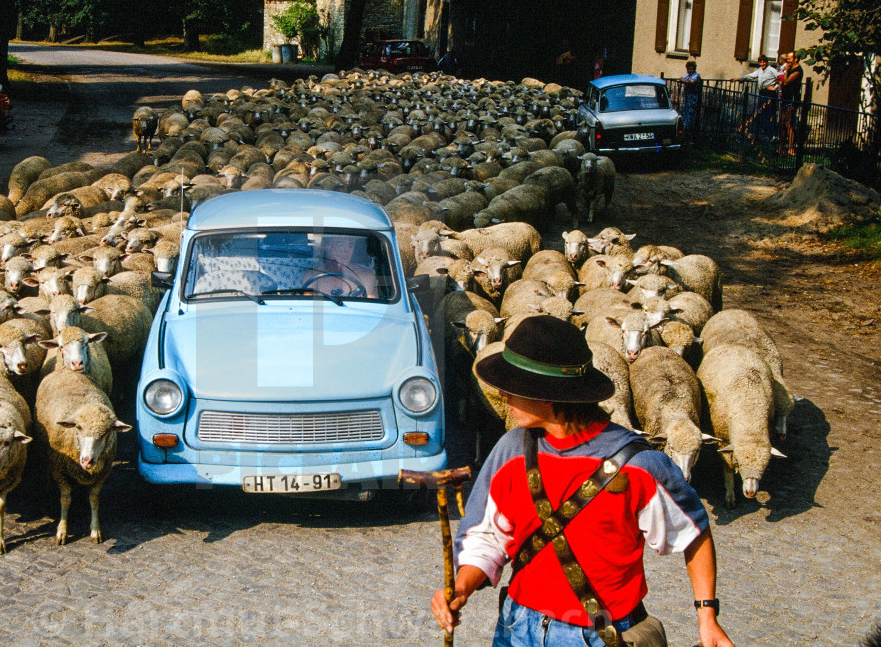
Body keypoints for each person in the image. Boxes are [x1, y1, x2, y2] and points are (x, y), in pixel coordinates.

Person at [430, 316, 734, 647]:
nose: (503, 395)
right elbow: (488, 536)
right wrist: (461, 587)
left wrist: (707, 617)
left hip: (599, 635)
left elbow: (693, 531)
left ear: (547, 395)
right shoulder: (510, 450)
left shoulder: (639, 466)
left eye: (513, 387)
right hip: (518, 627)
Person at [302, 233, 379, 298]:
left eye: (351, 245)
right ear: (327, 246)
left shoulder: (365, 276)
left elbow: (370, 309)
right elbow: (309, 308)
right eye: (340, 244)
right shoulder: (312, 276)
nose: (346, 251)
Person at [737, 56, 780, 141]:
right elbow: (751, 76)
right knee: (762, 113)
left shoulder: (772, 70)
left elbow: (780, 78)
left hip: (770, 94)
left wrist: (775, 87)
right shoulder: (760, 70)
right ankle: (768, 134)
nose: (762, 64)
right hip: (762, 92)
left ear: (767, 62)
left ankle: (773, 134)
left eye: (764, 62)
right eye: (761, 62)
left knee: (769, 114)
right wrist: (739, 79)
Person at [778, 52, 804, 155]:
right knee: (782, 123)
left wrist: (786, 71)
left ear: (796, 59)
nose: (788, 60)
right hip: (785, 98)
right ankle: (781, 148)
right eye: (787, 59)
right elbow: (782, 82)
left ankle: (791, 148)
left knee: (789, 123)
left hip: (792, 100)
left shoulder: (797, 70)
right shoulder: (790, 69)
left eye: (789, 59)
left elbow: (787, 81)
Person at [678, 60, 702, 138]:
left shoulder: (696, 75)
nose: (690, 70)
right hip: (687, 97)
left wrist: (686, 81)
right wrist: (686, 80)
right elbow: (681, 78)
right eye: (688, 69)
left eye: (691, 69)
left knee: (691, 113)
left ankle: (690, 131)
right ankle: (685, 129)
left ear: (694, 69)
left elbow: (692, 82)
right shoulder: (687, 75)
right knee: (685, 112)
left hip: (693, 98)